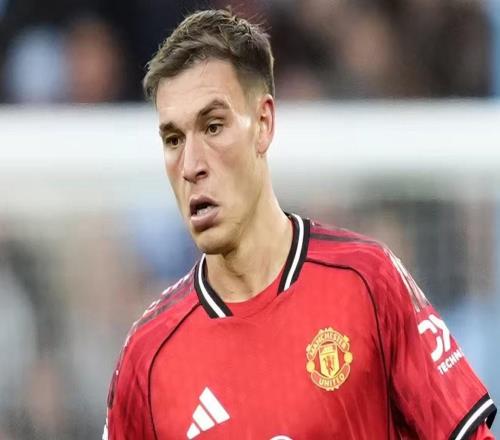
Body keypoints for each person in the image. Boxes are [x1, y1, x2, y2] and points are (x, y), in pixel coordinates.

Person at [104, 9, 496, 439]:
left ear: (263, 124)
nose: (191, 164)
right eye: (173, 139)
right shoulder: (148, 356)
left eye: (213, 127)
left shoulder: (368, 281)